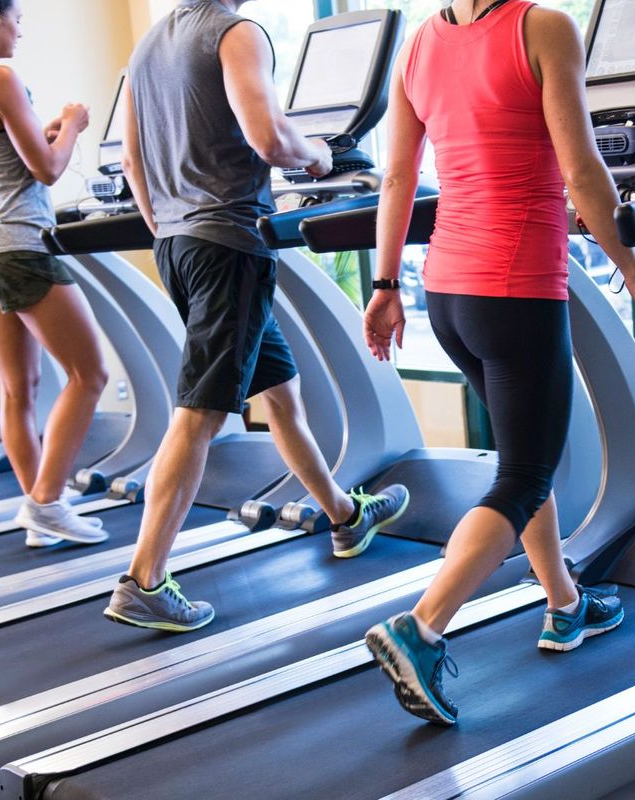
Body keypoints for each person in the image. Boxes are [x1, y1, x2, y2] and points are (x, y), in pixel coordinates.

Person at [363, 0, 635, 726]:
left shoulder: (419, 45)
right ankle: (422, 625)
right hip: (517, 287)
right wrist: (632, 269)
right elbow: (583, 165)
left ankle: (565, 603)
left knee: (521, 462)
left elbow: (399, 177)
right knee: (526, 475)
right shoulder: (545, 27)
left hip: (448, 294)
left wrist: (383, 285)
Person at [103, 0, 409, 633]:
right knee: (203, 412)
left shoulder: (148, 46)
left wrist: (172, 225)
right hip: (227, 245)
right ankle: (144, 579)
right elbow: (269, 137)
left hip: (180, 245)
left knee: (282, 393)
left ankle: (345, 518)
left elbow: (132, 161)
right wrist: (322, 156)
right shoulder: (234, 33)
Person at [0, 0, 109, 547]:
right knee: (90, 376)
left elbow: (11, 155)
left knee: (19, 390)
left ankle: (43, 511)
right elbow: (48, 168)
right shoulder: (0, 77)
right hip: (19, 248)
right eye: (16, 20)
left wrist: (48, 127)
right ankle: (45, 503)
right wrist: (75, 126)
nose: (19, 31)